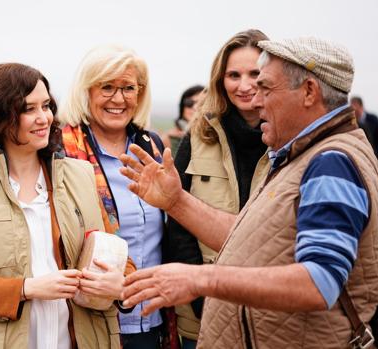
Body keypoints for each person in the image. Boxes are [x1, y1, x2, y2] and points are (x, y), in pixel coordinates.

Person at [120, 38, 378, 348]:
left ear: (310, 92)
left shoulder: (331, 163)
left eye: (266, 88)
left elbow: (319, 282)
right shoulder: (304, 156)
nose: (255, 99)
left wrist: (201, 279)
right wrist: (176, 202)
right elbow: (251, 240)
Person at [0, 63, 132, 349]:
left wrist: (119, 285)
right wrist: (27, 289)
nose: (44, 118)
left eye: (47, 106)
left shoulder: (81, 175)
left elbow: (121, 259)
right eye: (28, 109)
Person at [59, 45, 177, 349]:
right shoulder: (62, 152)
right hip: (89, 321)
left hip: (153, 320)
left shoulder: (149, 146)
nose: (119, 98)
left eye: (128, 88)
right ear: (86, 91)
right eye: (107, 87)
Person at [165, 29, 270, 349]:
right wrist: (202, 297)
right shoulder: (198, 136)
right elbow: (178, 221)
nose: (244, 85)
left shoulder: (289, 140)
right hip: (203, 315)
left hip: (272, 315)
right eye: (233, 75)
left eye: (255, 73)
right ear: (219, 80)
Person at [161, 85, 204, 156]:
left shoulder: (215, 138)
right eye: (189, 103)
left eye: (201, 104)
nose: (194, 107)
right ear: (182, 107)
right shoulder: (168, 138)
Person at [351, 95, 378, 174]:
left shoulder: (373, 119)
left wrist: (376, 156)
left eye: (356, 110)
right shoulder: (351, 123)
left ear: (361, 107)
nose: (354, 113)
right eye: (352, 110)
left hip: (375, 160)